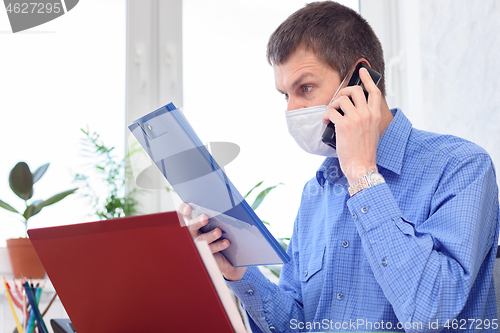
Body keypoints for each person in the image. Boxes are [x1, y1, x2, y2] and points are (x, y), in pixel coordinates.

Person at [179, 2, 499, 332]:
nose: (291, 109)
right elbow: (297, 325)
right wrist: (239, 273)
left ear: (362, 80)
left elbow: (431, 310)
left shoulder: (461, 166)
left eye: (305, 88)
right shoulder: (316, 191)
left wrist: (362, 174)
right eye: (284, 95)